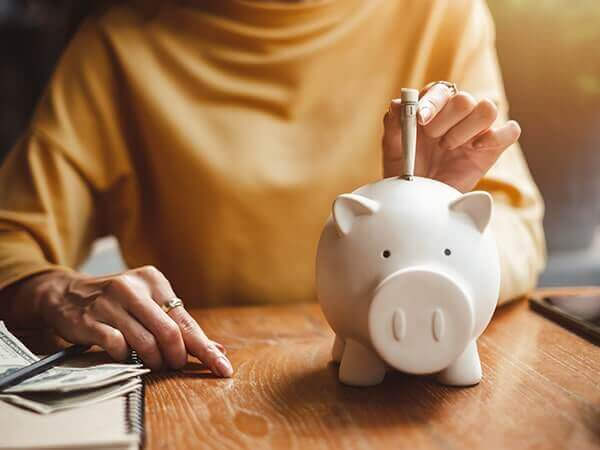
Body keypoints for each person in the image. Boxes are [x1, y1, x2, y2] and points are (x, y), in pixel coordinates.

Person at [0, 0, 546, 376]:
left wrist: (433, 224)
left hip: (407, 383)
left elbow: (518, 230)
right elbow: (11, 241)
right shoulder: (116, 49)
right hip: (211, 386)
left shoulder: (438, 14)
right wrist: (55, 290)